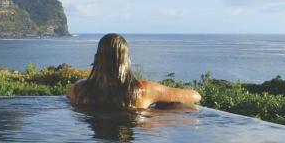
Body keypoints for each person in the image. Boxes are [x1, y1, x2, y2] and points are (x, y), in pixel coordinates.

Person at [66, 33, 201, 109]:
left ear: (98, 59)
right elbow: (195, 96)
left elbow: (69, 91)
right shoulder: (144, 90)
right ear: (127, 59)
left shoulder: (80, 90)